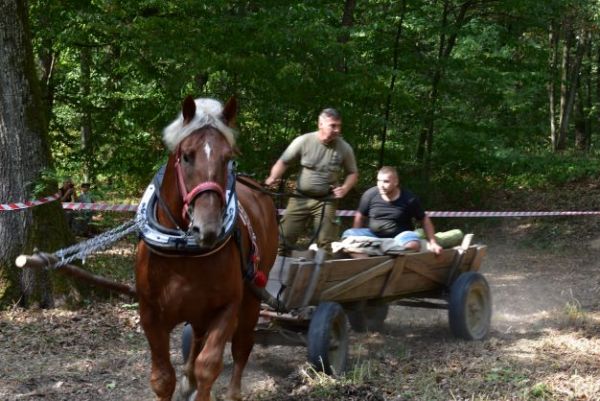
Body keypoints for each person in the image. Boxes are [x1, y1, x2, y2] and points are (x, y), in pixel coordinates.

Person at [265, 108, 358, 255]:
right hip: (300, 198)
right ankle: (277, 274)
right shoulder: (304, 141)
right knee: (283, 239)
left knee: (325, 244)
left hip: (326, 200)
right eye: (333, 126)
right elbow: (283, 162)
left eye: (339, 126)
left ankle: (321, 276)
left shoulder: (344, 148)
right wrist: (272, 177)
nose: (337, 130)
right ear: (321, 124)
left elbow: (353, 173)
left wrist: (345, 188)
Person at [342, 166, 443, 255]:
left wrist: (433, 242)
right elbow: (359, 216)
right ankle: (365, 264)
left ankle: (386, 251)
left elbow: (424, 219)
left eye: (386, 181)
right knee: (348, 235)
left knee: (413, 245)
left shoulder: (409, 198)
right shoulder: (370, 195)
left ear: (396, 182)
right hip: (373, 235)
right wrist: (356, 238)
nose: (381, 185)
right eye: (379, 181)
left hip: (400, 236)